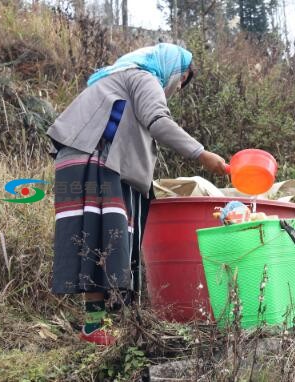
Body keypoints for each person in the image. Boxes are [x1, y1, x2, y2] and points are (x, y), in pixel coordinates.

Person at [47, 43, 227, 345]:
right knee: (108, 239)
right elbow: (158, 121)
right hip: (96, 159)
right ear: (173, 70)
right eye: (181, 79)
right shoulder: (145, 78)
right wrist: (202, 154)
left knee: (94, 238)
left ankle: (95, 326)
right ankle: (102, 327)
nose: (177, 88)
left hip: (74, 160)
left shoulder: (114, 77)